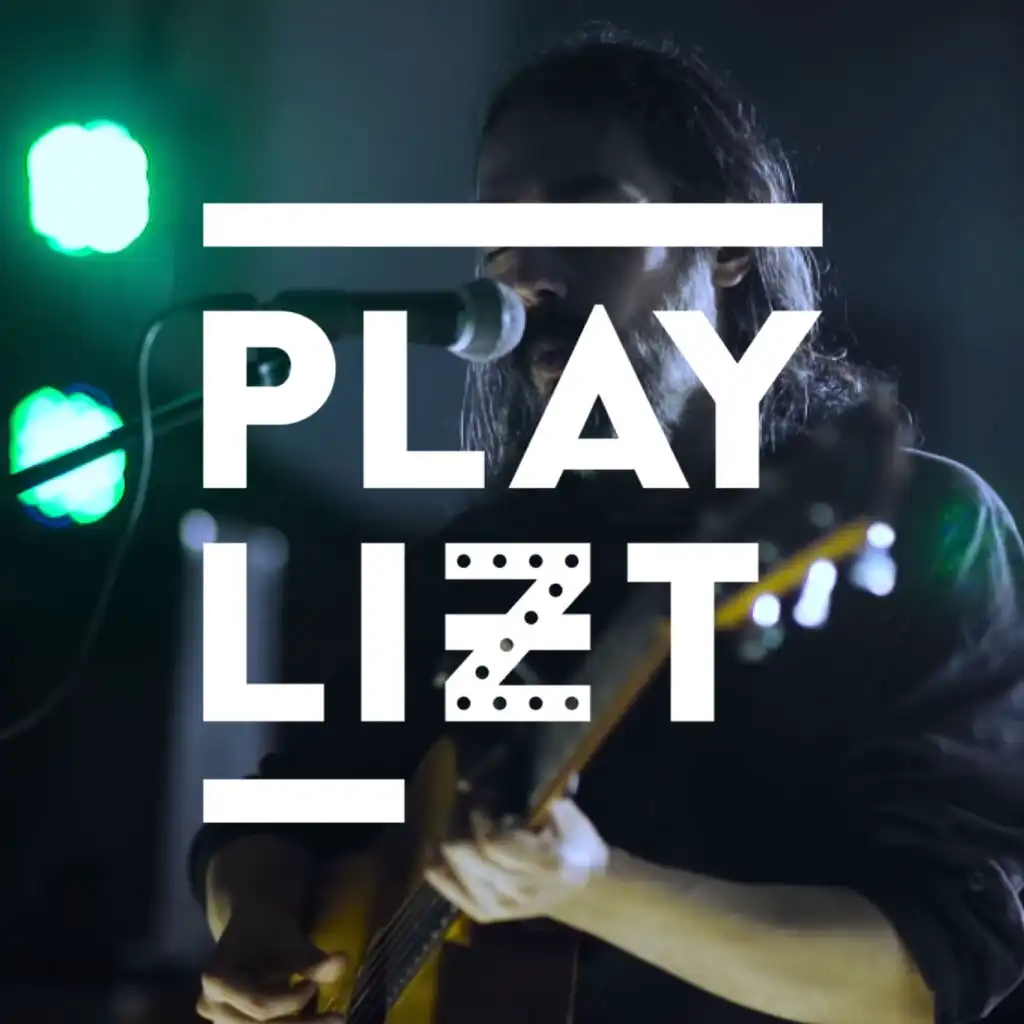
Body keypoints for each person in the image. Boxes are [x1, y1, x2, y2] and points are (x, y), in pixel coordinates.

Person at [189, 28, 1024, 1024]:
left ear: (728, 244)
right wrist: (255, 916)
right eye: (498, 236)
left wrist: (592, 889)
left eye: (583, 214)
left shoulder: (924, 529)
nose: (527, 274)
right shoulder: (480, 558)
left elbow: (929, 974)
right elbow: (279, 810)